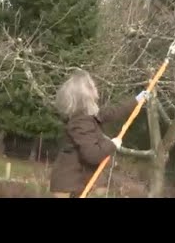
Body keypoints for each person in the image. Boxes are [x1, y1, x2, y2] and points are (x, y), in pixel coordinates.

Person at [49, 69, 149, 198]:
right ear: (85, 95)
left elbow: (114, 112)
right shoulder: (79, 122)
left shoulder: (90, 115)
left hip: (79, 183)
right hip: (68, 186)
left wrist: (136, 100)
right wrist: (112, 144)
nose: (95, 89)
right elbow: (92, 155)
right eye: (92, 87)